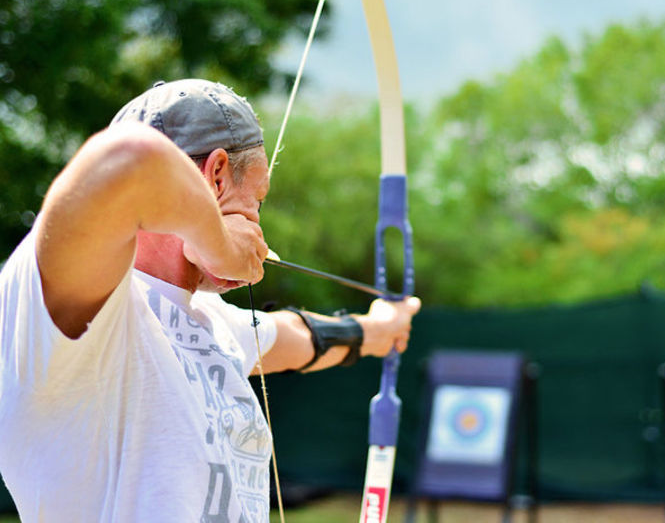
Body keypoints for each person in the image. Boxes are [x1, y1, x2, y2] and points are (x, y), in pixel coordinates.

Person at [0, 79, 420, 522]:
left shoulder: (210, 321)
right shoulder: (68, 315)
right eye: (257, 199)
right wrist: (219, 242)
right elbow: (126, 160)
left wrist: (378, 330)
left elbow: (297, 337)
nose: (258, 221)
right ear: (217, 176)